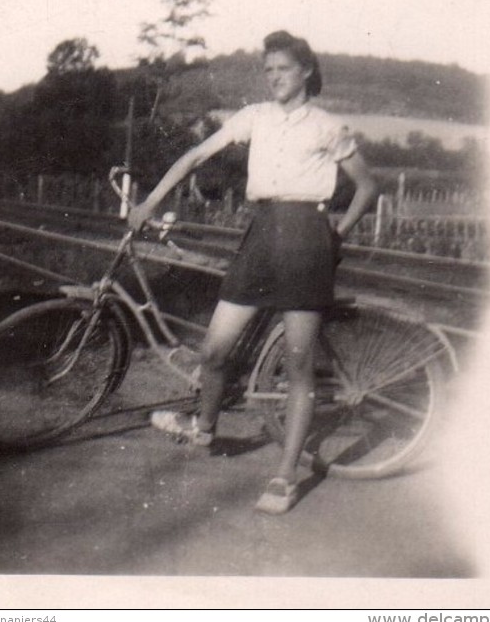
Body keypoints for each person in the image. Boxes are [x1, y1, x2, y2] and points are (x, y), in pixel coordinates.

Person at [128, 30, 377, 514]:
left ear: (305, 70)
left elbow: (368, 188)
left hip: (307, 237)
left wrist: (336, 235)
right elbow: (198, 155)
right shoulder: (254, 117)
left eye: (282, 68)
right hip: (260, 235)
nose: (273, 78)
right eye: (267, 70)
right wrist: (150, 200)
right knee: (216, 349)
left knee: (300, 362)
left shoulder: (328, 126)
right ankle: (204, 430)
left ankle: (285, 476)